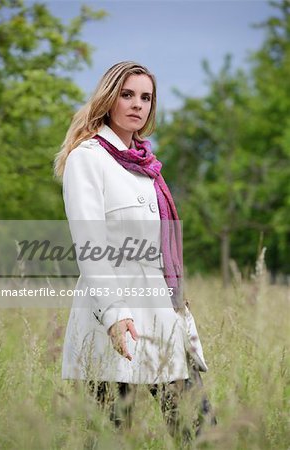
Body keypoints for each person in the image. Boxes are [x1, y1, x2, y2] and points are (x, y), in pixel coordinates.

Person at [54, 61, 216, 442]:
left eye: (146, 97)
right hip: (112, 321)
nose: (137, 104)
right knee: (111, 437)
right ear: (109, 99)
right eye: (127, 94)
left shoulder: (147, 166)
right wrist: (114, 315)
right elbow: (90, 246)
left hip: (161, 313)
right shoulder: (88, 158)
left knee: (199, 430)